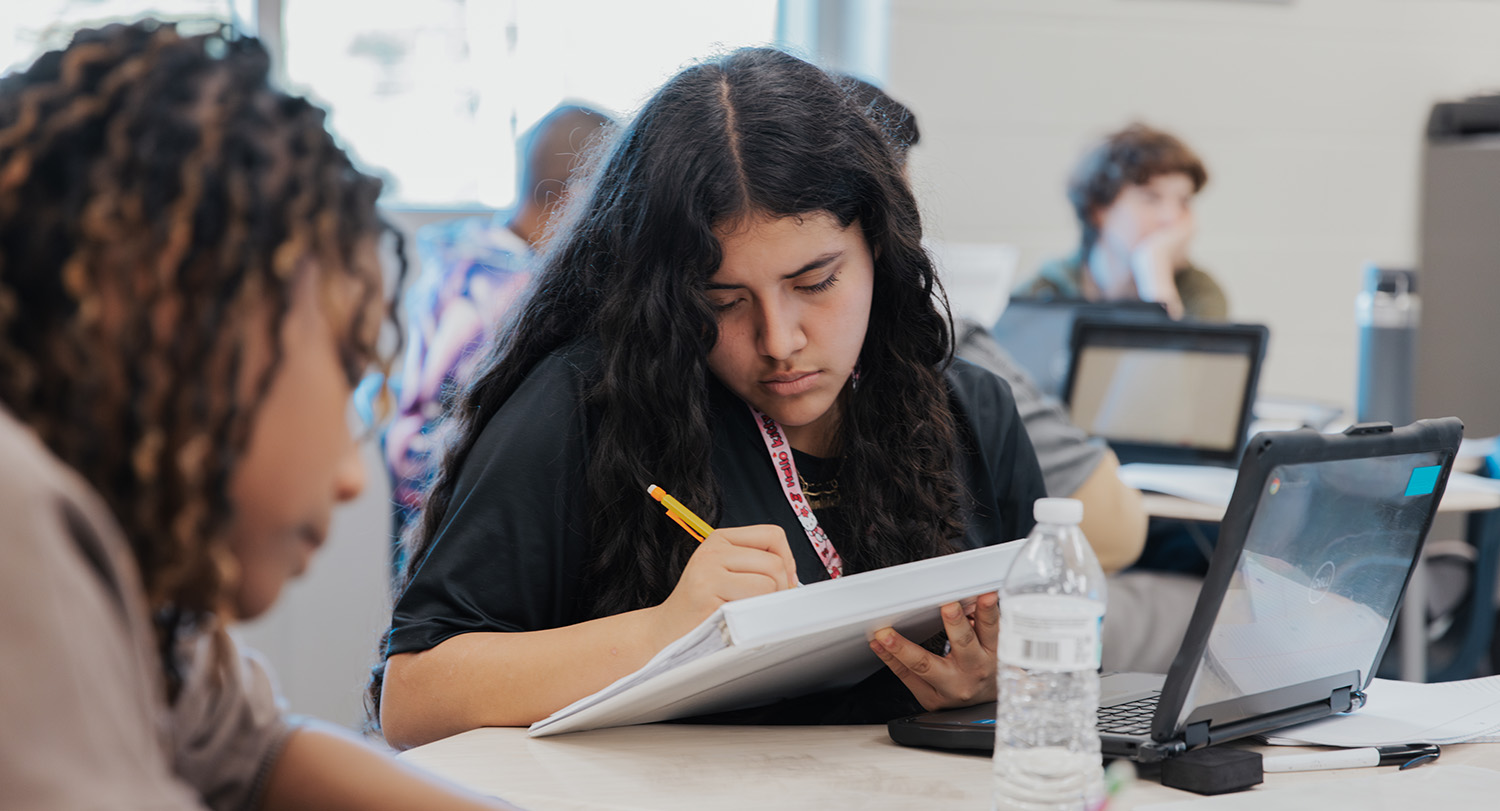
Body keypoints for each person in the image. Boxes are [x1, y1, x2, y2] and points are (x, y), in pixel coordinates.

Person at [372, 48, 1048, 749]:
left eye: (815, 282)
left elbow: (1065, 665)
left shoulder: (973, 413)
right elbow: (415, 698)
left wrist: (1002, 688)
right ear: (665, 295)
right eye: (722, 301)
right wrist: (666, 632)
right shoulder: (587, 406)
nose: (779, 340)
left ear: (882, 246)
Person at [0, 21, 519, 809]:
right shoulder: (16, 519)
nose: (353, 477)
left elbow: (259, 751)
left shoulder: (147, 603)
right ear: (191, 319)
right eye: (346, 370)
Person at [841, 80, 1194, 672]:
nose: (1173, 222)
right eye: (1152, 199)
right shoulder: (963, 335)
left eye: (1182, 205)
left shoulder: (1196, 286)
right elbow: (1114, 532)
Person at [385, 104, 614, 541]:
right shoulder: (520, 292)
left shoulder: (461, 257)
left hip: (411, 482)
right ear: (579, 196)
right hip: (456, 509)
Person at [1021, 123, 1227, 321]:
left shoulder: (1199, 292)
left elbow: (1176, 358)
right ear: (1099, 211)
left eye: (1183, 202)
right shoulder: (1041, 294)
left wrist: (1154, 270)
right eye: (1151, 198)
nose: (1171, 217)